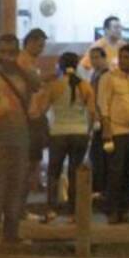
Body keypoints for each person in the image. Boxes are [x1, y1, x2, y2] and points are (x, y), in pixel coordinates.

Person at [0, 34, 43, 244]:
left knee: (16, 186)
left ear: (17, 52)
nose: (7, 57)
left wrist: (19, 66)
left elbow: (36, 85)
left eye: (11, 52)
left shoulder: (26, 74)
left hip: (20, 138)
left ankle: (11, 232)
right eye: (2, 52)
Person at [97, 44, 129, 224]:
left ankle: (124, 210)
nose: (123, 61)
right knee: (115, 172)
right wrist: (106, 127)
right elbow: (103, 103)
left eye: (127, 57)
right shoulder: (109, 78)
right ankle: (111, 210)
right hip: (116, 130)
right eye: (121, 57)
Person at [44, 52, 96, 222]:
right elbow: (92, 112)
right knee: (75, 173)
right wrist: (87, 131)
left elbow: (43, 108)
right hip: (79, 132)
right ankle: (74, 212)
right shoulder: (86, 86)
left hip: (58, 132)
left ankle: (51, 208)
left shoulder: (55, 86)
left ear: (60, 65)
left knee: (54, 172)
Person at [17, 29, 53, 219]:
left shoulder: (32, 63)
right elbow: (33, 85)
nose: (41, 48)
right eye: (39, 45)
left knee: (32, 164)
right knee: (27, 165)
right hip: (28, 119)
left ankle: (20, 207)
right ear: (29, 42)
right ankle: (18, 208)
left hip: (36, 118)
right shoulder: (22, 62)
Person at [86, 47, 111, 197]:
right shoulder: (95, 74)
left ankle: (101, 187)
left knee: (100, 154)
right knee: (96, 154)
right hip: (95, 117)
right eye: (92, 57)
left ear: (104, 58)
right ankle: (99, 186)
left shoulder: (106, 75)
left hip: (102, 118)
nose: (94, 61)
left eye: (96, 57)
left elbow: (103, 99)